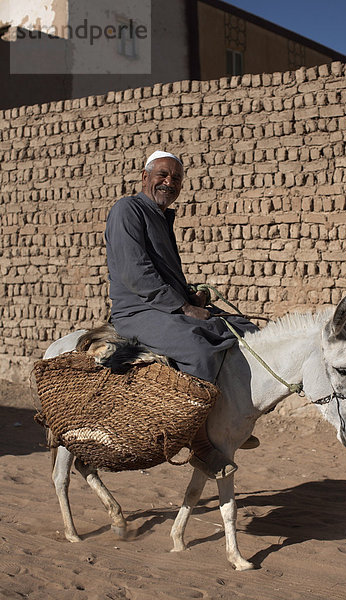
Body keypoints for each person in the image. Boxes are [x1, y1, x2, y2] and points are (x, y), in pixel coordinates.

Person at [105, 150, 259, 479]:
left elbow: (163, 274)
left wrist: (191, 295)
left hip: (165, 305)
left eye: (176, 178)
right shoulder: (127, 210)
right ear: (144, 177)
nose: (169, 182)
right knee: (198, 349)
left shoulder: (162, 218)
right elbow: (136, 274)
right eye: (162, 175)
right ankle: (199, 441)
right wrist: (184, 307)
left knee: (243, 330)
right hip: (136, 311)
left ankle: (228, 418)